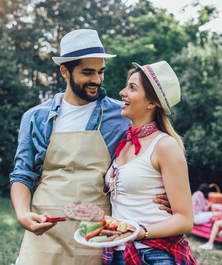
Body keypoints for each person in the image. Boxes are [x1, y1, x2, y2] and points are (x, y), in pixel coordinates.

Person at [9, 29, 171, 265]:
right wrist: (23, 214)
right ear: (65, 71)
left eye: (100, 71)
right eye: (87, 72)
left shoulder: (122, 115)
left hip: (96, 230)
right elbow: (22, 174)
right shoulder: (35, 118)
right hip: (46, 225)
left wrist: (165, 192)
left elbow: (155, 149)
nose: (97, 79)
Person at [103, 61, 197, 265]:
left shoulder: (164, 145)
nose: (122, 92)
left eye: (132, 87)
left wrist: (140, 232)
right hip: (118, 254)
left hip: (154, 255)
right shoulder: (123, 143)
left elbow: (185, 220)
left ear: (151, 103)